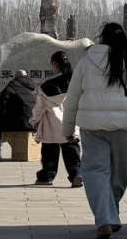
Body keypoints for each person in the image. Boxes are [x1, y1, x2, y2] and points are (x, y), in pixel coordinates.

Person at [62, 23, 127, 239]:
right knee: (118, 174)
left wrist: (67, 128)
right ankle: (110, 215)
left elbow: (72, 99)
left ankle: (105, 217)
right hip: (121, 128)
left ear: (101, 38)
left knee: (95, 172)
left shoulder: (85, 63)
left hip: (91, 126)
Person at [32, 51, 83, 188]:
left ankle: (47, 177)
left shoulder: (46, 86)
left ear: (54, 63)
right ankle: (76, 175)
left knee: (49, 152)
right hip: (71, 122)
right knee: (72, 152)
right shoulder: (76, 82)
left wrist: (34, 121)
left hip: (51, 124)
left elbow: (39, 108)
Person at [0, 70, 37, 161]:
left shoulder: (11, 87)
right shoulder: (32, 89)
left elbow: (0, 108)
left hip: (21, 124)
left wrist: (2, 119)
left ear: (15, 77)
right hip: (34, 125)